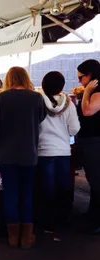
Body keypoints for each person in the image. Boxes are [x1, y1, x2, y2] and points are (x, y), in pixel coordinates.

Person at [0, 66, 46, 248]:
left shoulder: (1, 98)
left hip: (6, 153)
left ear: (9, 79)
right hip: (29, 152)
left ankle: (12, 237)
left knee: (10, 192)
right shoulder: (36, 98)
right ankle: (26, 237)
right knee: (27, 192)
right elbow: (41, 118)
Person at [38, 71, 80, 231]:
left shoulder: (38, 101)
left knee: (46, 187)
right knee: (64, 186)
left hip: (43, 150)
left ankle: (47, 221)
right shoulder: (69, 104)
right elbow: (75, 129)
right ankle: (64, 219)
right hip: (63, 151)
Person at [76, 59, 100, 233]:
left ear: (90, 75)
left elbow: (88, 111)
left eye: (81, 77)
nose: (79, 81)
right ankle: (92, 215)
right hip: (90, 139)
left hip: (95, 140)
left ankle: (96, 222)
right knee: (93, 179)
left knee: (97, 180)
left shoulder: (96, 90)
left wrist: (87, 91)